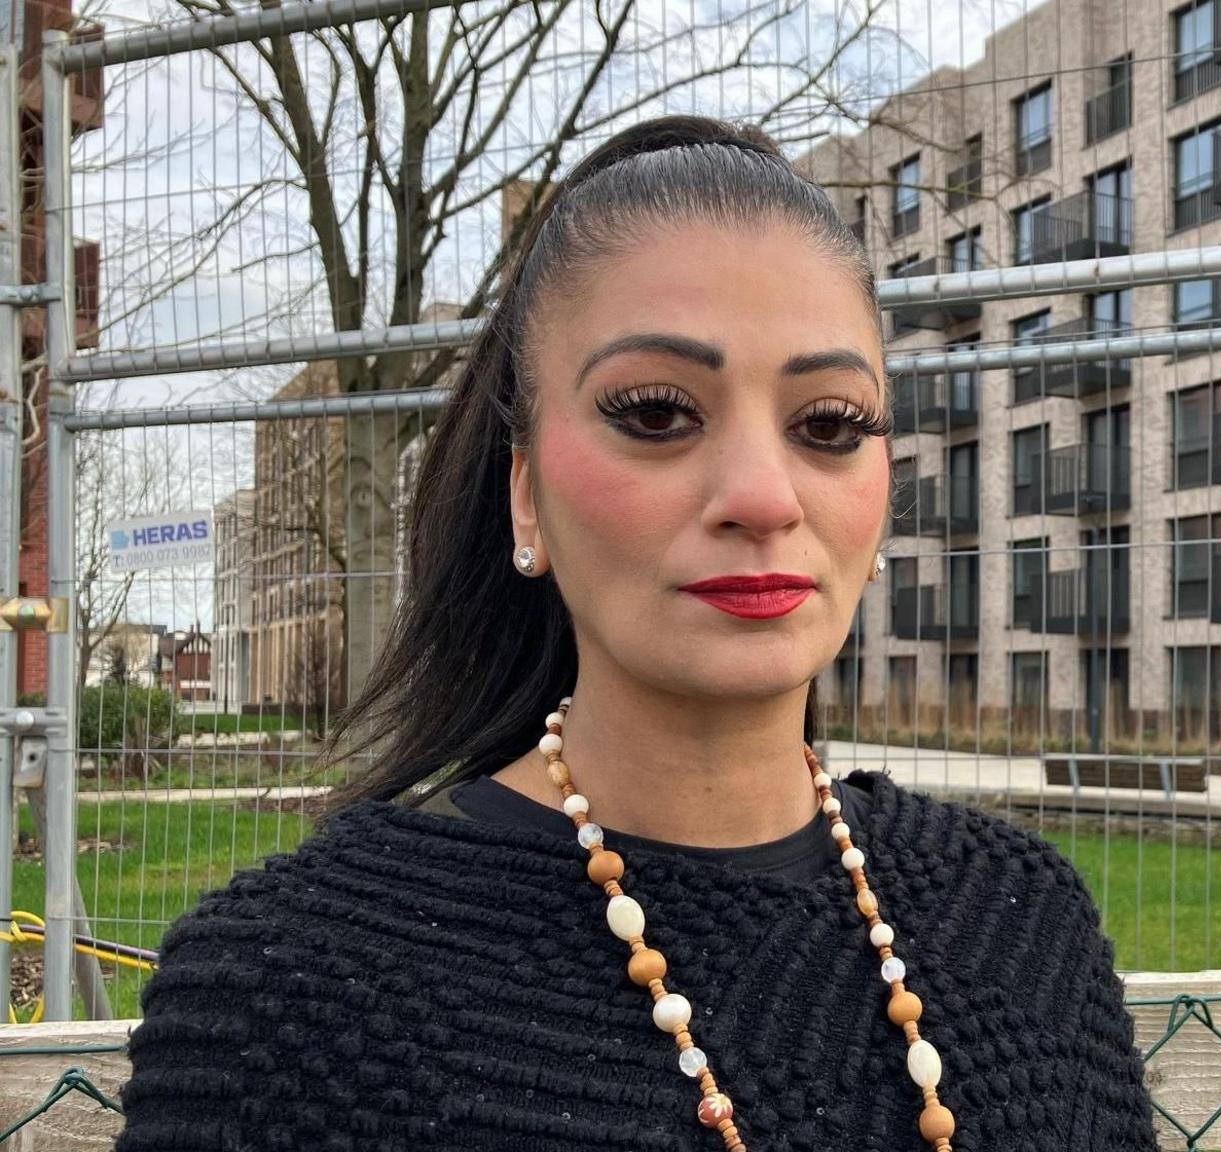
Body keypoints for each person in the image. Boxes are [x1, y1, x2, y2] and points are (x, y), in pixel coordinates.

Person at [112, 114, 1161, 1152]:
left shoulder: (1023, 927)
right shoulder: (284, 995)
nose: (761, 495)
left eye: (829, 424)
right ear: (525, 497)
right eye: (658, 413)